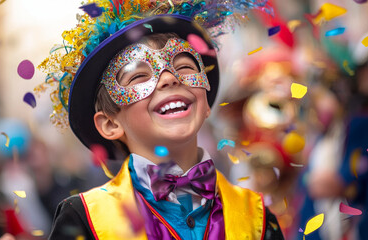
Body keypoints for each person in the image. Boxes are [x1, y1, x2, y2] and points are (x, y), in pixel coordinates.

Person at [34, 0, 284, 239]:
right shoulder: (84, 219)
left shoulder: (257, 217)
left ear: (205, 101)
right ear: (111, 124)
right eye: (138, 76)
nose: (169, 78)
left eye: (184, 65)